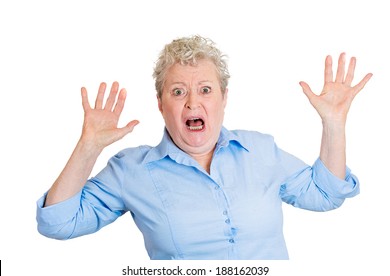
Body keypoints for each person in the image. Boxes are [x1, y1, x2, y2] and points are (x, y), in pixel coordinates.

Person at [36, 35, 372, 260]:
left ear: (224, 98)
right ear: (160, 103)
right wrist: (88, 147)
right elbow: (58, 223)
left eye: (206, 89)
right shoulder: (132, 170)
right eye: (178, 91)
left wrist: (334, 123)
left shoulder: (261, 150)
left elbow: (326, 195)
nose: (193, 102)